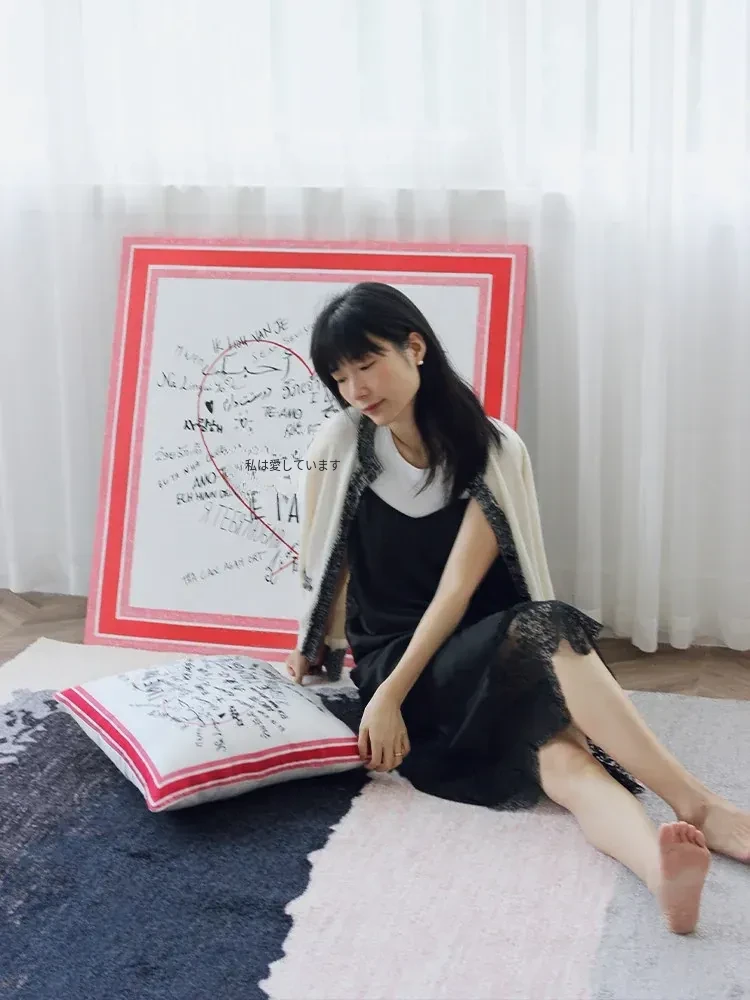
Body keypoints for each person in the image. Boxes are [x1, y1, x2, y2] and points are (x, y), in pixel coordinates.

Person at [284, 281, 749, 936]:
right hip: (402, 671)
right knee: (548, 640)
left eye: (367, 363)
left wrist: (389, 695)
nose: (356, 389)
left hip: (486, 653)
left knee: (562, 762)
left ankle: (659, 872)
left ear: (415, 347)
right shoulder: (338, 448)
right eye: (339, 377)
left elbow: (455, 593)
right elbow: (324, 564)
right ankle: (695, 803)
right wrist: (344, 670)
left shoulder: (491, 449)